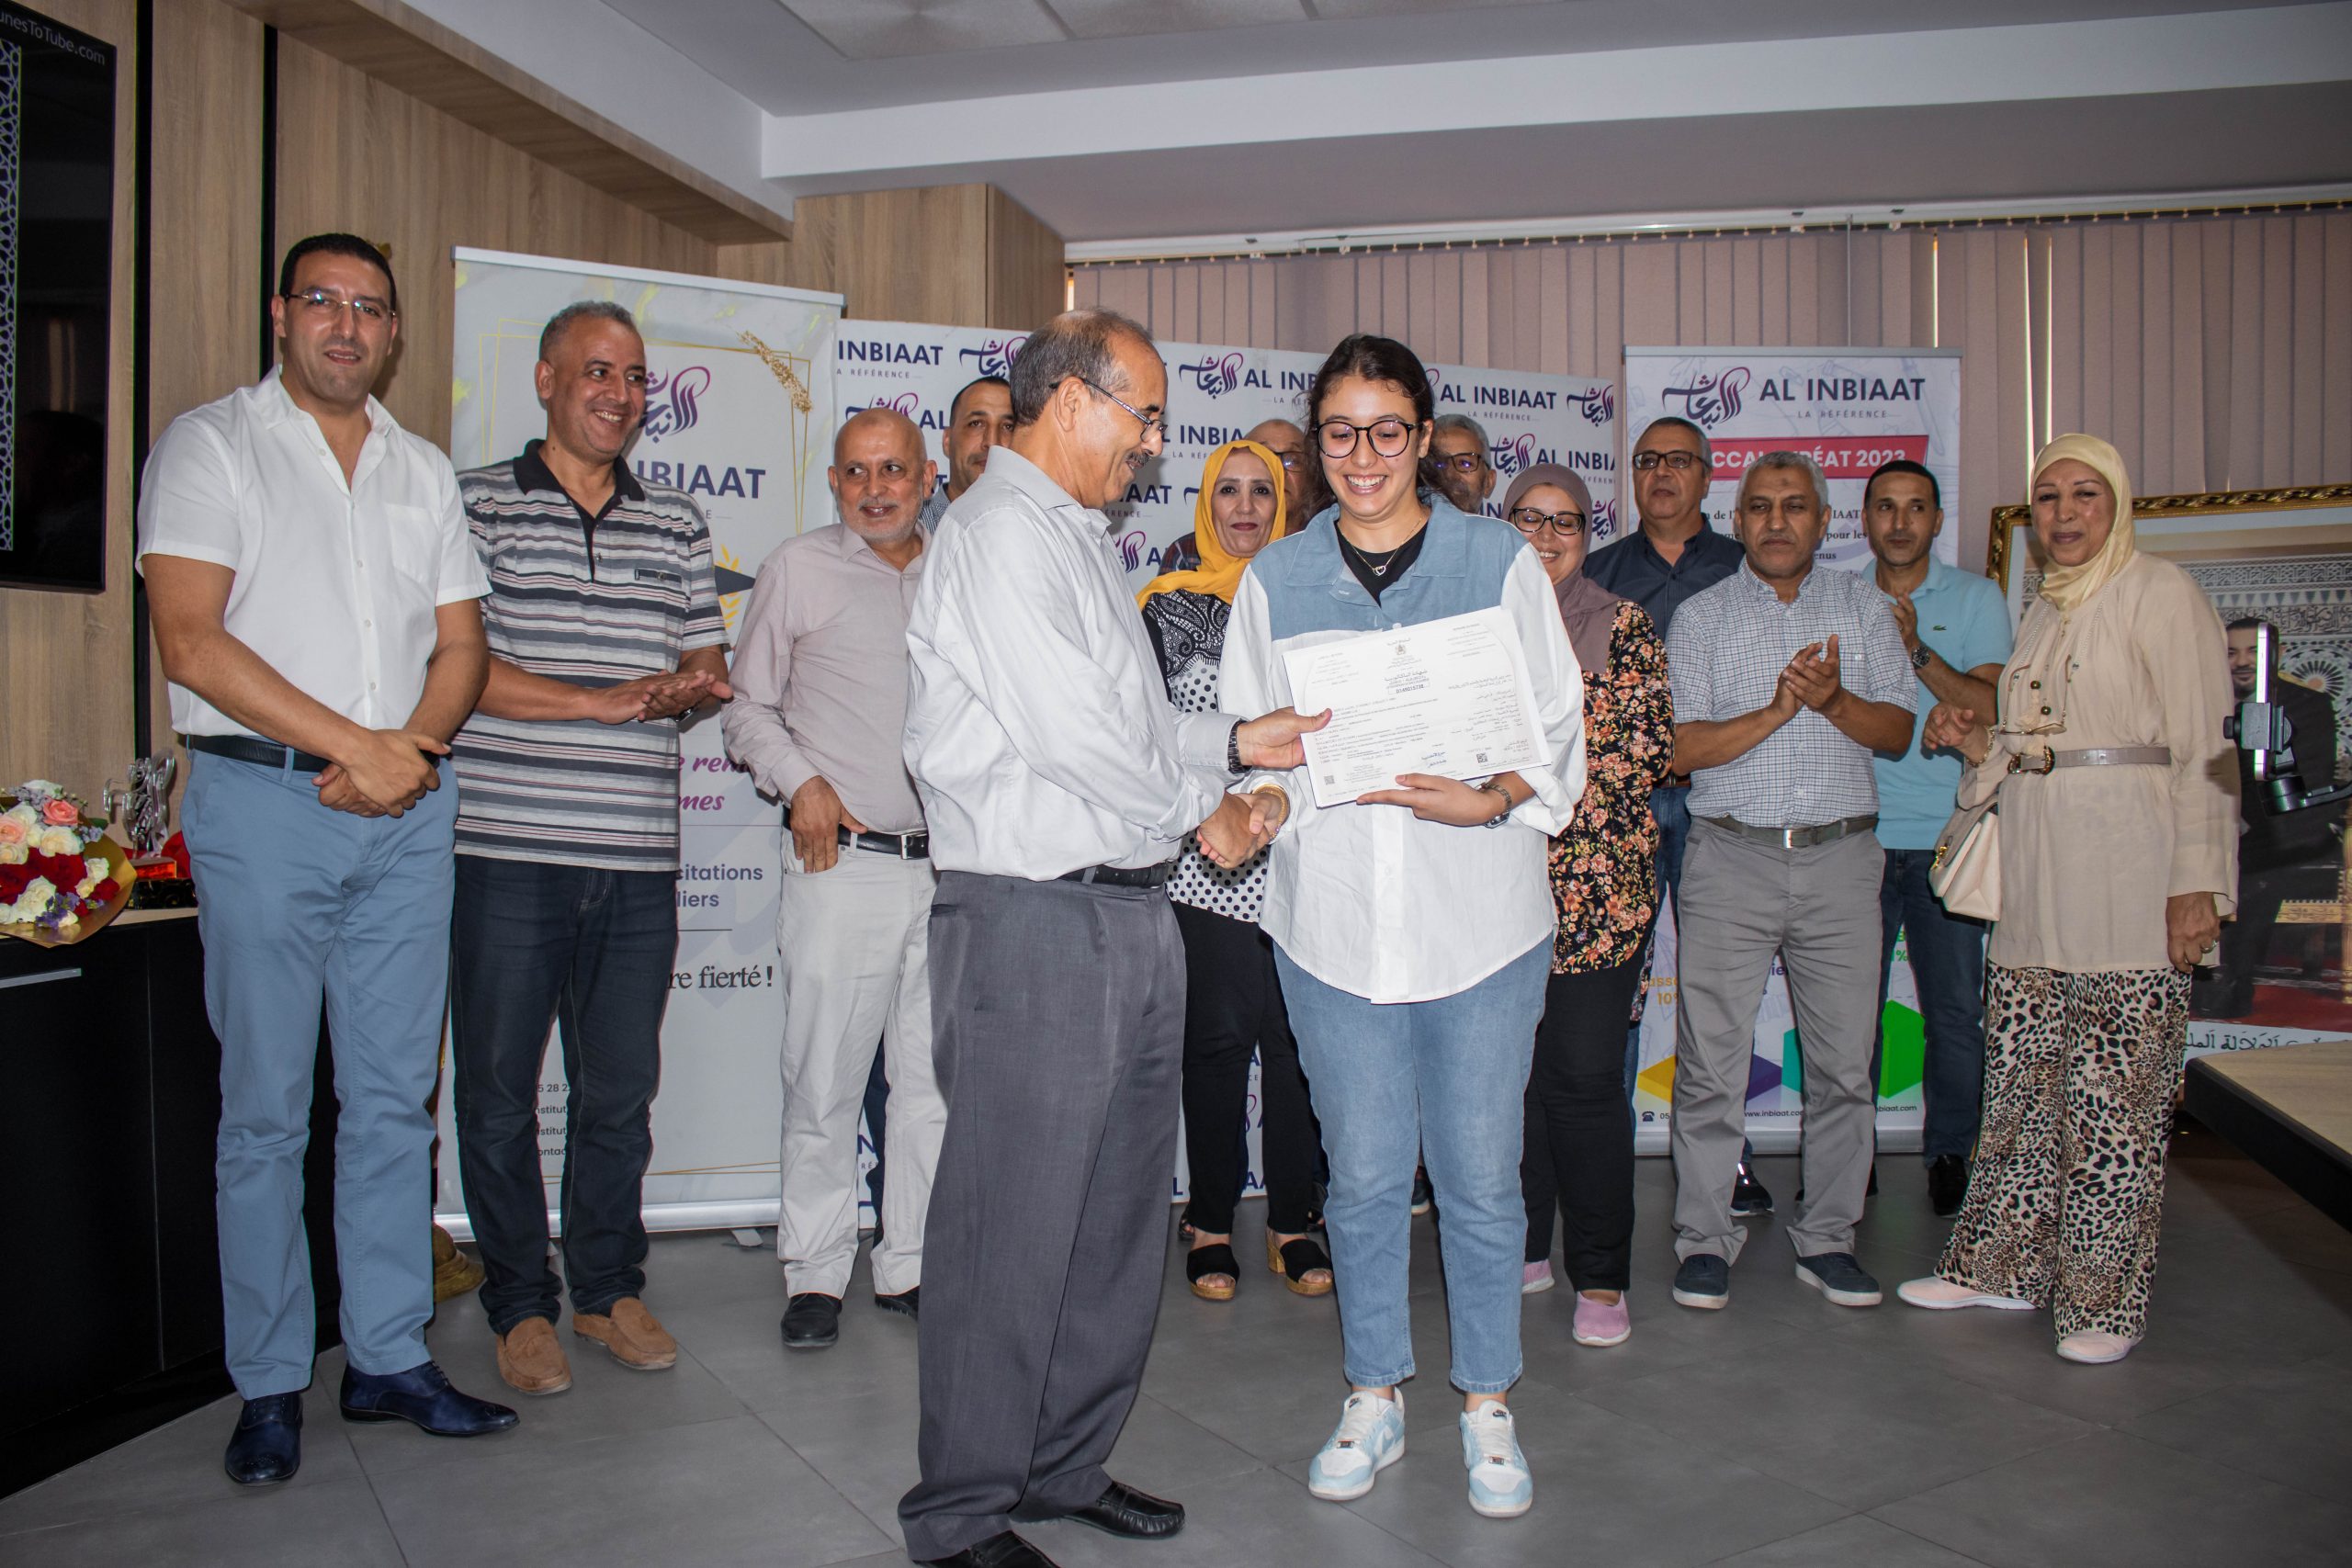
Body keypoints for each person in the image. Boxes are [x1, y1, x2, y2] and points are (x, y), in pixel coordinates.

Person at [896, 310, 1322, 1568]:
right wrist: (1207, 811)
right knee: (1011, 1227)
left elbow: (1131, 720)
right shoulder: (995, 534)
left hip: (1130, 909)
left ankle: (1060, 1464)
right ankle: (962, 1510)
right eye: (1143, 416)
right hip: (1035, 916)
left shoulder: (1081, 539)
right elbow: (1074, 738)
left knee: (1114, 1220)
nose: (1152, 443)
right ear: (1074, 401)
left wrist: (1235, 743)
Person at [138, 233, 514, 1485]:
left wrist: (407, 751)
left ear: (393, 333)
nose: (347, 325)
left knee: (395, 1103)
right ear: (281, 314)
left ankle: (390, 1356)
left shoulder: (421, 470)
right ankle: (268, 1382)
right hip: (264, 805)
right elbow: (193, 643)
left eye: (369, 308)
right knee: (265, 1113)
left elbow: (460, 645)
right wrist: (360, 747)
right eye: (323, 301)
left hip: (406, 814)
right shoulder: (211, 446)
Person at [1220, 333, 1586, 1521]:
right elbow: (1262, 747)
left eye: (1388, 430)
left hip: (1481, 918)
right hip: (1333, 926)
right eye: (1341, 432)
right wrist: (1256, 806)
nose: (1364, 455)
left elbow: (1558, 724)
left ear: (1423, 437)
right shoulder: (1277, 579)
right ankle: (1373, 1389)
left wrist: (1493, 798)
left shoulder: (1496, 560)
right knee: (1367, 1176)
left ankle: (1487, 1401)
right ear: (1316, 445)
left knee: (1479, 1177)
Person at [1901, 434, 2237, 1365]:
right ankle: (2000, 1267)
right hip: (2037, 883)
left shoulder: (2160, 593)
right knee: (2021, 1087)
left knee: (2113, 1103)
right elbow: (2031, 743)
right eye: (2047, 497)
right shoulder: (2044, 608)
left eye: (2084, 493)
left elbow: (2209, 751)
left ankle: (2100, 1302)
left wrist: (2197, 885)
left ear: (2117, 502)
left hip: (2131, 878)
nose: (2063, 512)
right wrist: (1974, 741)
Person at [447, 300, 730, 1396]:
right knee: (498, 1095)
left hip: (639, 859)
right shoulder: (472, 503)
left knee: (618, 1091)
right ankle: (521, 1304)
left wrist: (690, 687)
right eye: (598, 371)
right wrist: (596, 702)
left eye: (635, 376)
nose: (619, 393)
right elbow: (455, 667)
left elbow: (704, 660)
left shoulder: (677, 522)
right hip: (507, 851)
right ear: (546, 378)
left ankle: (608, 1290)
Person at [1664, 451, 1915, 1315]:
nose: (1777, 521)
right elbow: (1680, 749)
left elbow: (1897, 731)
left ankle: (1830, 1237)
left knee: (1845, 1067)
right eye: (1761, 506)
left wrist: (1833, 701)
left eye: (1795, 506)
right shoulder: (1700, 616)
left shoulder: (1864, 609)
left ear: (1824, 520)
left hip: (1842, 860)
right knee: (1711, 1064)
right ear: (1737, 521)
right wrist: (1777, 710)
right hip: (1730, 856)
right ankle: (1704, 1239)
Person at [724, 407, 947, 1351]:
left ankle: (911, 1263)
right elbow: (746, 709)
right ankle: (816, 1271)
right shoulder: (798, 568)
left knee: (929, 1086)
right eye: (856, 472)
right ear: (833, 482)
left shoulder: (961, 572)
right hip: (839, 865)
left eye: (893, 470)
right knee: (822, 1081)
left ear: (928, 477)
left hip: (949, 871)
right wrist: (801, 781)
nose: (874, 489)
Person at [1136, 438, 1329, 1303]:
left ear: (1284, 505)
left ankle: (1294, 1217)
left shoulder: (1312, 597)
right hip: (1208, 856)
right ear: (1206, 504)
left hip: (1302, 849)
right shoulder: (1164, 606)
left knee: (1296, 1044)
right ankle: (1211, 1218)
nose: (1246, 507)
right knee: (1215, 1041)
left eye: (1262, 491)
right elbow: (1147, 733)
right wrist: (1219, 810)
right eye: (1230, 491)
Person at [1504, 465, 1672, 1346]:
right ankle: (1527, 1243)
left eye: (1564, 521)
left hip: (1597, 896)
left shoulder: (1622, 624)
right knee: (1511, 1082)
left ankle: (1601, 1274)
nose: (1545, 536)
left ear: (1586, 534)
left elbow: (1637, 756)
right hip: (1492, 890)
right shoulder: (1474, 625)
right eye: (1528, 519)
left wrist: (1506, 767)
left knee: (1581, 1079)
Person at [1583, 416, 1770, 1212]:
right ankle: (1604, 1158)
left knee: (1719, 991)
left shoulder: (1744, 570)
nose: (1662, 474)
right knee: (1613, 992)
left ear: (1707, 475)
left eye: (1679, 461)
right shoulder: (1596, 571)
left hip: (1716, 802)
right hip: (1615, 813)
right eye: (1648, 460)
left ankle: (1728, 1162)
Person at [1861, 458, 2011, 1217]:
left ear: (1937, 520)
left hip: (1949, 837)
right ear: (1864, 519)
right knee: (1850, 1014)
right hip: (1854, 838)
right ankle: (1848, 1159)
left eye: (1915, 507)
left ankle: (1951, 1151)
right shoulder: (1838, 597)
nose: (1900, 522)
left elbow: (1992, 703)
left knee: (1954, 1011)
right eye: (1885, 506)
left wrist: (1917, 648)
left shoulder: (1977, 598)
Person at [2206, 616, 2343, 1017]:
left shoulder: (2308, 705)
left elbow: (2307, 779)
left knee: (2245, 876)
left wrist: (2239, 819)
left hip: (2285, 835)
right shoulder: (2208, 704)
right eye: (2231, 652)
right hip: (2219, 829)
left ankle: (2228, 995)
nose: (2242, 661)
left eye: (2255, 651)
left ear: (2278, 655)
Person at [1159, 415, 1314, 573]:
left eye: (1294, 460)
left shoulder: (1322, 552)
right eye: (1263, 456)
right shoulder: (1186, 554)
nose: (1279, 471)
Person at [919, 375, 1015, 531]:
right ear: (947, 441)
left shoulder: (1040, 530)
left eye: (1008, 427)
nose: (992, 442)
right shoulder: (913, 530)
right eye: (976, 424)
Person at [1429, 412, 1497, 517]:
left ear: (1489, 482)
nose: (1450, 475)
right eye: (1439, 463)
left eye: (1465, 463)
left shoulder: (1501, 528)